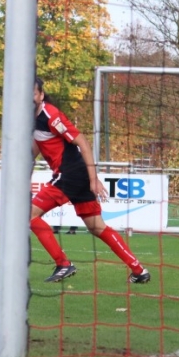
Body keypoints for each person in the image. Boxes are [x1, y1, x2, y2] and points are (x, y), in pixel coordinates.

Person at [30, 77, 149, 284]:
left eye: (33, 93)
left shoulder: (51, 115)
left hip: (70, 174)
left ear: (40, 95)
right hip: (74, 175)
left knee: (28, 215)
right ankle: (139, 270)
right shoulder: (31, 119)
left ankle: (63, 264)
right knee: (96, 227)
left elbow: (82, 141)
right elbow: (34, 150)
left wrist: (94, 179)